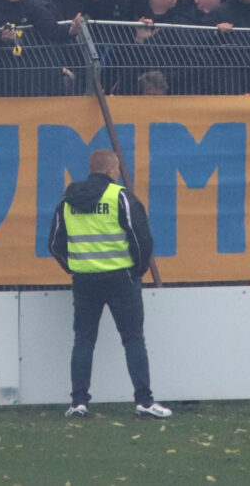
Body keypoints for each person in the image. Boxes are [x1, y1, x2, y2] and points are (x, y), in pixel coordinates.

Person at [47, 148, 167, 419]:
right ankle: (144, 403)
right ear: (112, 170)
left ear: (91, 170)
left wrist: (75, 266)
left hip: (84, 280)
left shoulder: (67, 200)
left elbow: (54, 243)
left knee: (83, 340)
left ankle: (78, 403)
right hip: (121, 279)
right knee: (133, 339)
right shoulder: (120, 197)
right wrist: (136, 270)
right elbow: (141, 240)